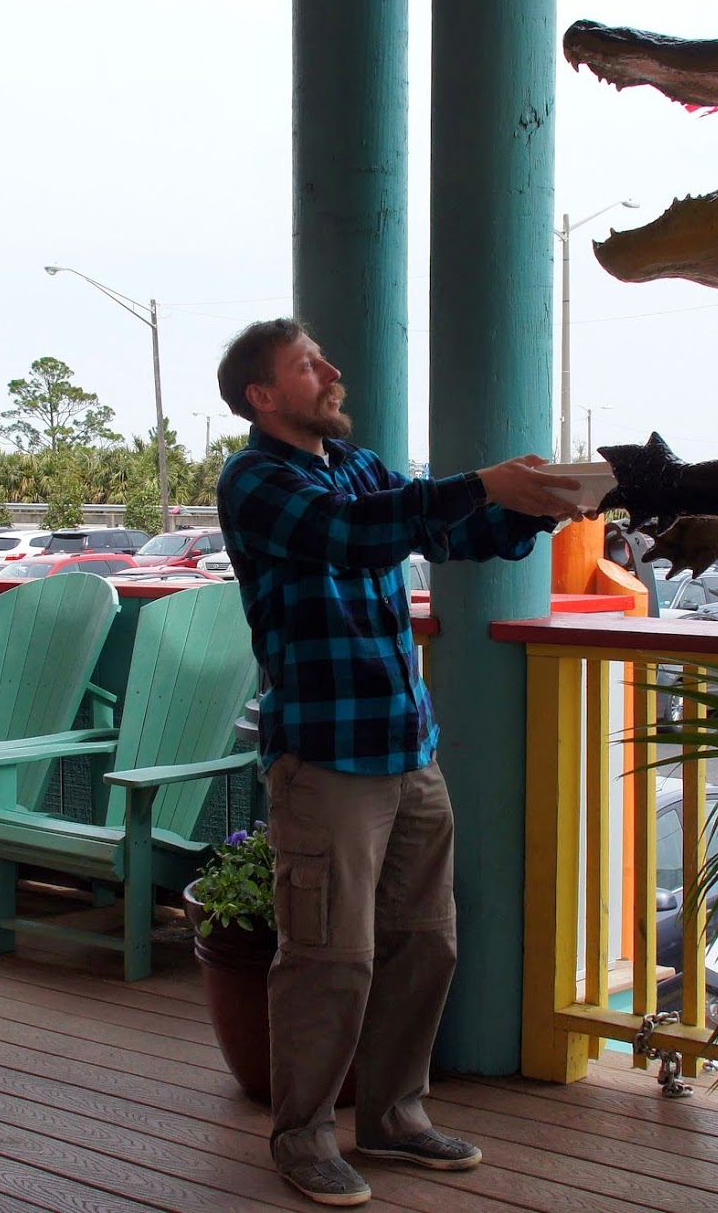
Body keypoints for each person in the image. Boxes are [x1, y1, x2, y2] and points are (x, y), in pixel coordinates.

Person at [214, 318, 582, 1207]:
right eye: (309, 365)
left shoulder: (362, 465)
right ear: (264, 397)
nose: (333, 371)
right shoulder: (257, 480)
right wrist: (479, 482)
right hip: (326, 756)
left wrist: (533, 510)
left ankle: (395, 1117)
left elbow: (450, 535)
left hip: (408, 747)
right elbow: (351, 535)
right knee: (328, 957)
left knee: (425, 943)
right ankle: (301, 1136)